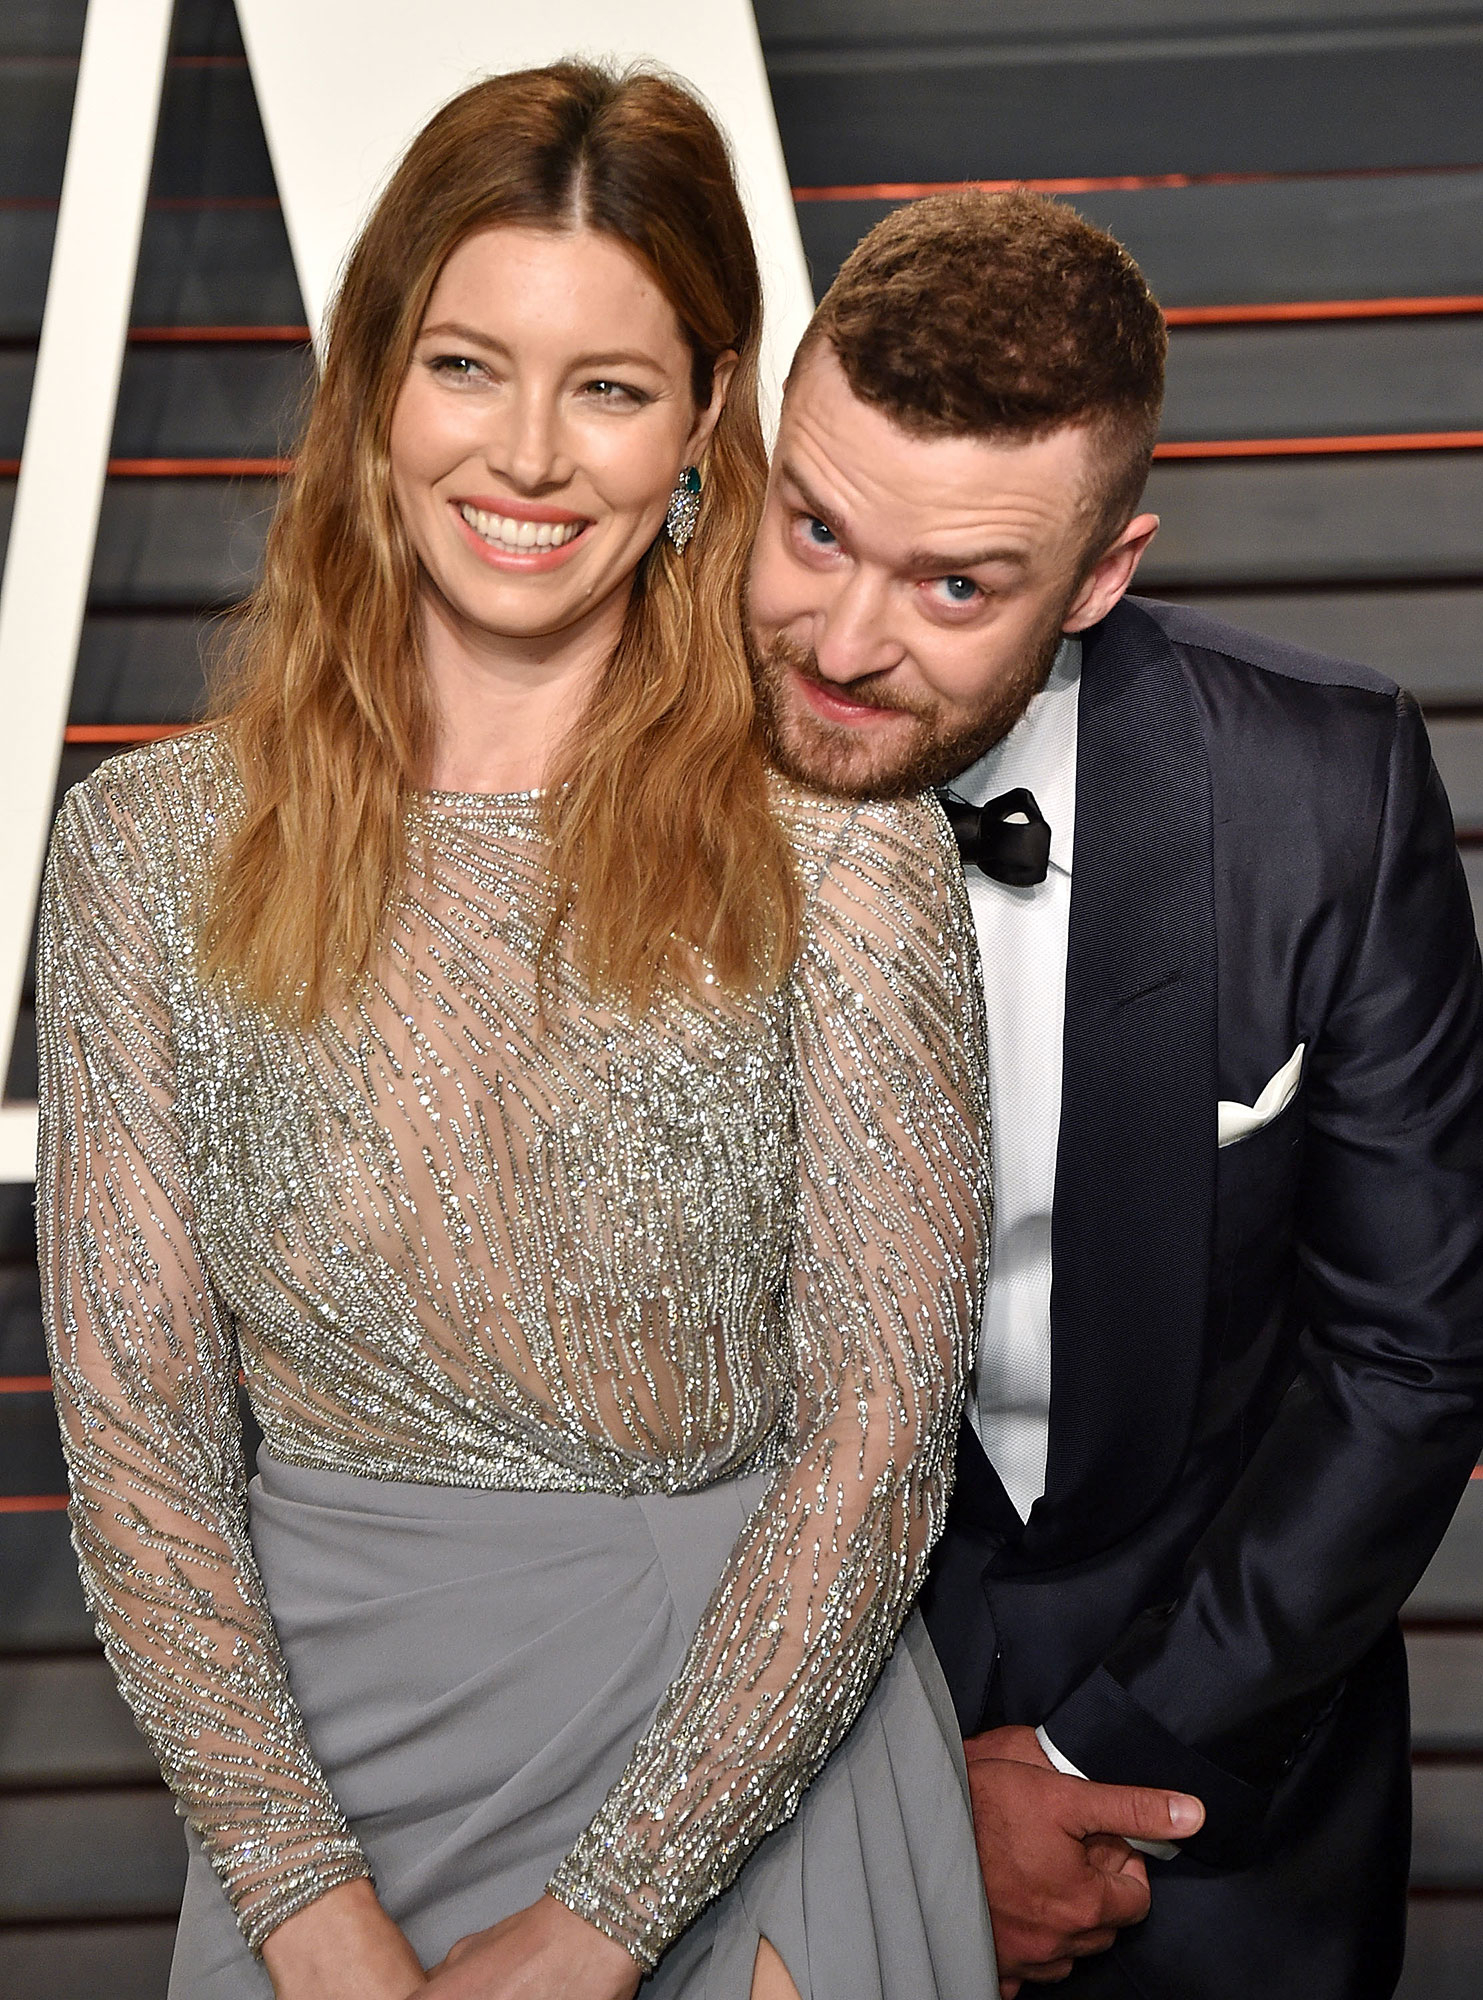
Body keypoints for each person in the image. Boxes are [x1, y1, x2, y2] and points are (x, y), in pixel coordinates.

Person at [34, 64, 1019, 2000]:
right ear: (374, 382)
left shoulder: (839, 855)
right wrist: (302, 1906)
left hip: (744, 1774)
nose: (532, 456)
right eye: (470, 367)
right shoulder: (144, 851)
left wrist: (601, 1926)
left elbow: (881, 1436)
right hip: (305, 1786)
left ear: (707, 419)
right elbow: (137, 1440)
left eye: (611, 387)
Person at [746, 187, 1483, 2000]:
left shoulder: (1325, 789)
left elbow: (1407, 1359)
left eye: (955, 585)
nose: (842, 641)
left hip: (1211, 1785)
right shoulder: (597, 782)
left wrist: (1092, 1764)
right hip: (745, 1794)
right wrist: (889, 1812)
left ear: (1099, 577)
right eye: (815, 527)